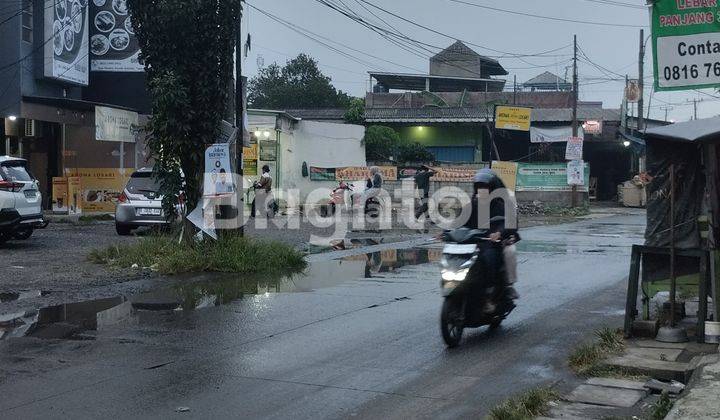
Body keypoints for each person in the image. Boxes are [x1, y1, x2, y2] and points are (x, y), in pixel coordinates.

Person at [464, 168, 519, 301]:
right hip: (476, 242)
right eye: (479, 187)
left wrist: (499, 233)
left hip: (497, 243)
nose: (482, 190)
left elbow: (510, 224)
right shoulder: (472, 205)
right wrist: (446, 232)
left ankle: (506, 285)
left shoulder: (502, 205)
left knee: (509, 252)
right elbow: (460, 222)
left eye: (485, 187)